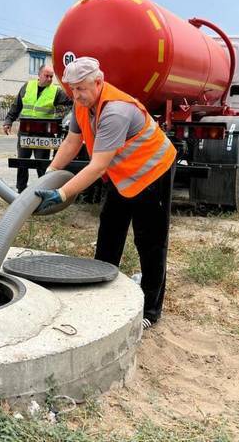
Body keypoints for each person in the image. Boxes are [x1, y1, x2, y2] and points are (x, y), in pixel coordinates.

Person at [36, 57, 176, 329]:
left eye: (82, 88)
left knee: (150, 242)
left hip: (154, 172)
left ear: (98, 82)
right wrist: (49, 173)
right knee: (109, 232)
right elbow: (72, 141)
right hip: (124, 175)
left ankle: (150, 309)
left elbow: (97, 166)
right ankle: (101, 292)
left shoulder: (116, 111)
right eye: (72, 88)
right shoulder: (82, 104)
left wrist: (61, 194)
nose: (76, 94)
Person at [3, 65, 71, 192]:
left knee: (42, 164)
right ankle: (21, 189)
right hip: (25, 131)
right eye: (47, 76)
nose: (50, 79)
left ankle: (44, 190)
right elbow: (16, 106)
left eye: (51, 76)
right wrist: (8, 121)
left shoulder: (56, 91)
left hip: (44, 133)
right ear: (39, 75)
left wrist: (66, 117)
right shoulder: (27, 87)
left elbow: (72, 101)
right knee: (22, 162)